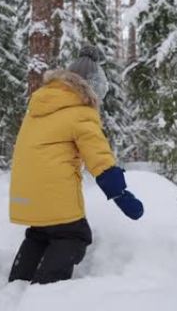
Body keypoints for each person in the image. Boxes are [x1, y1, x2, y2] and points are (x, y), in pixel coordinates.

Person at [8, 45, 144, 285]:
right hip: (54, 193)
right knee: (73, 235)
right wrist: (120, 193)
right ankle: (46, 290)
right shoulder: (80, 112)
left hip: (25, 194)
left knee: (40, 233)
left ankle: (18, 283)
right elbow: (99, 157)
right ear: (89, 88)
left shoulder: (39, 106)